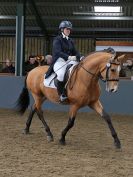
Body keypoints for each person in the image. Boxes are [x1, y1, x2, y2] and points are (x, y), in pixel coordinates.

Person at [45, 20, 84, 102]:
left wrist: (79, 56)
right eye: (67, 29)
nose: (68, 31)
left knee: (79, 68)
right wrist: (69, 57)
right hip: (59, 61)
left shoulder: (70, 41)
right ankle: (61, 94)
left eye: (69, 29)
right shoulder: (57, 39)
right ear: (62, 29)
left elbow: (75, 51)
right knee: (61, 74)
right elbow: (58, 52)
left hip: (69, 61)